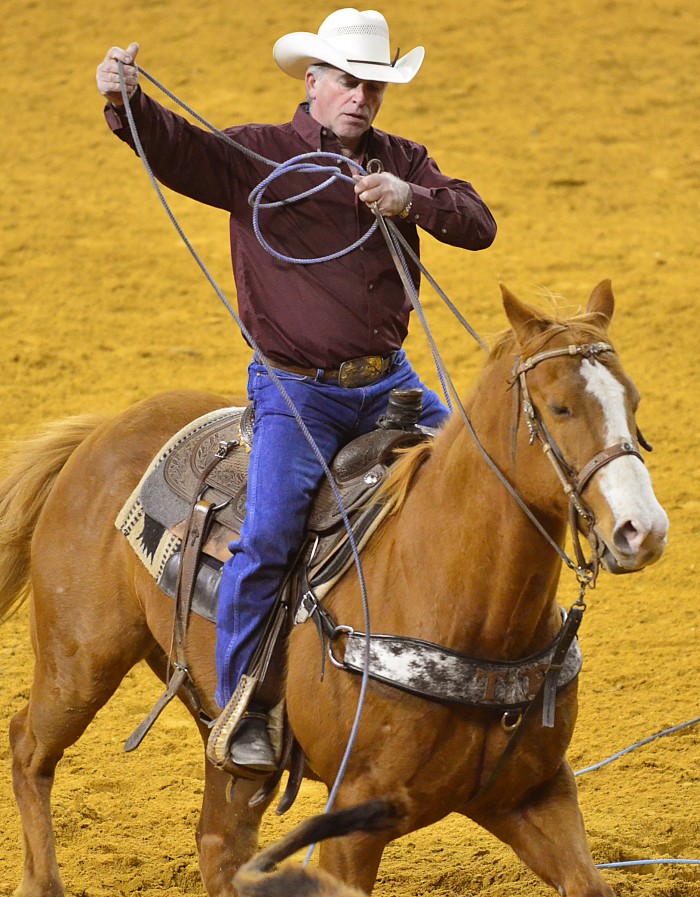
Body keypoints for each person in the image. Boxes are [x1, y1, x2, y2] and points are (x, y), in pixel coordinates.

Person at [96, 8, 497, 774]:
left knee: (482, 484)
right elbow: (176, 149)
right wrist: (127, 101)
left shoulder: (403, 160)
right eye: (349, 82)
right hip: (296, 390)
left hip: (389, 380)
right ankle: (244, 705)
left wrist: (412, 198)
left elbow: (478, 223)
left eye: (374, 86)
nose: (362, 98)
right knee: (272, 535)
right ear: (313, 82)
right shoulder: (258, 156)